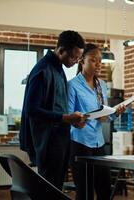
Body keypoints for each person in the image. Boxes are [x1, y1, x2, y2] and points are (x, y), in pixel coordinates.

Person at [19, 30, 88, 190]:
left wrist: (73, 121)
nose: (76, 61)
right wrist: (65, 118)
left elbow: (57, 106)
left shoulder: (58, 68)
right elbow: (32, 109)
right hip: (47, 142)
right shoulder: (42, 70)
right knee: (48, 191)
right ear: (61, 50)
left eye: (79, 58)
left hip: (59, 139)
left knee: (55, 188)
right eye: (73, 57)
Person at [68, 43, 126, 200]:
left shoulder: (102, 85)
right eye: (94, 60)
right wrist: (77, 119)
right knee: (85, 192)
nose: (98, 64)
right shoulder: (72, 85)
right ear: (82, 60)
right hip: (80, 143)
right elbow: (68, 116)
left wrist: (115, 113)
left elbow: (103, 115)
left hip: (99, 143)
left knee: (104, 189)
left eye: (100, 61)